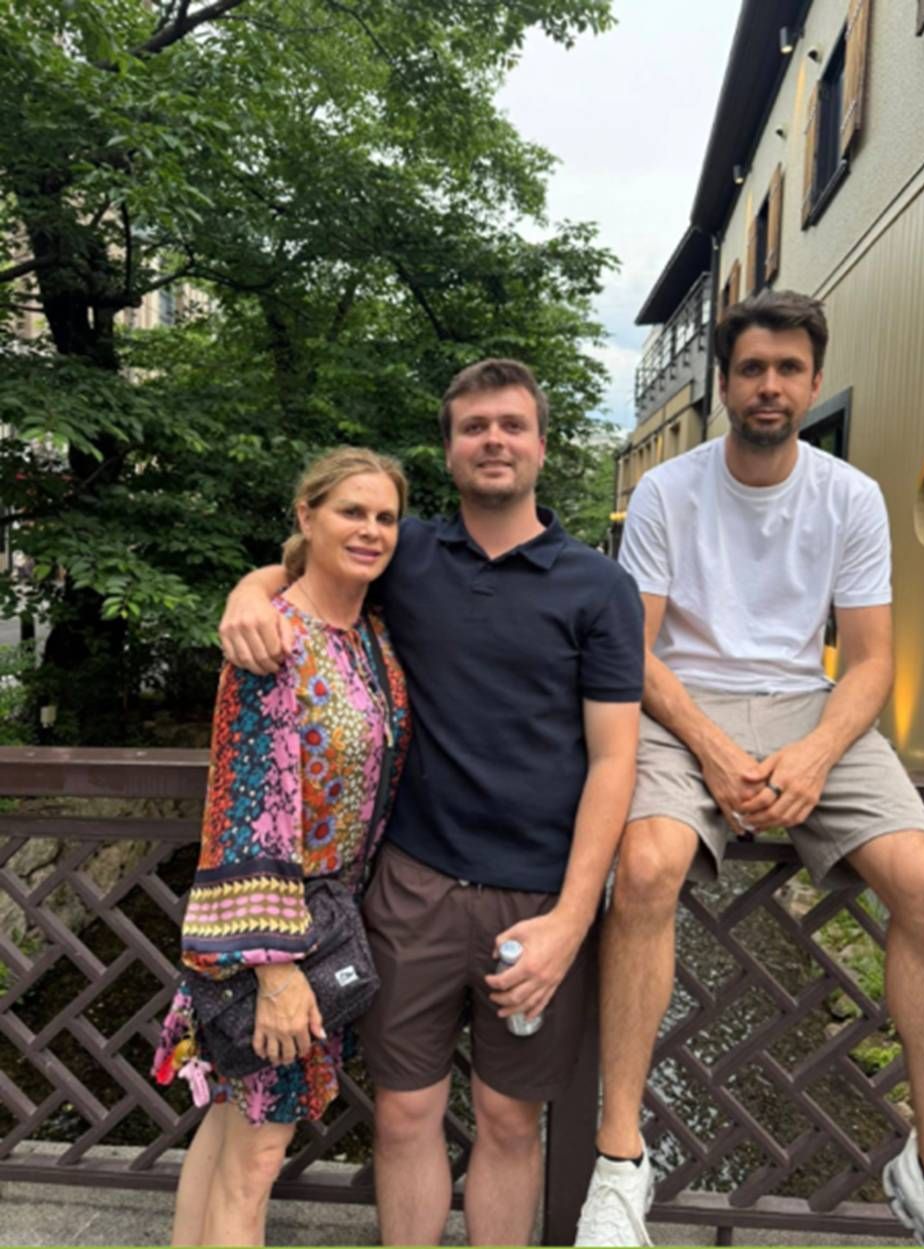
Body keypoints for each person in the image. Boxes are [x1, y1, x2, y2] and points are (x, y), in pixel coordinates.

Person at [219, 358, 645, 1245]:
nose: (494, 439)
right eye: (474, 426)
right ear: (449, 449)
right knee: (405, 1115)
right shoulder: (405, 552)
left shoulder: (598, 587)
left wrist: (573, 917)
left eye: (511, 424)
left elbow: (614, 759)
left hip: (535, 898)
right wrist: (247, 592)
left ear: (539, 442)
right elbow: (307, 567)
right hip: (409, 888)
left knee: (508, 1121)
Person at [574, 290, 924, 1248]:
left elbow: (868, 662)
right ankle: (619, 1162)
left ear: (813, 381)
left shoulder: (848, 495)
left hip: (811, 711)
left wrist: (814, 752)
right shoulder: (668, 491)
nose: (768, 386)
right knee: (646, 868)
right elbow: (636, 652)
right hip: (681, 701)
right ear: (724, 384)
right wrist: (717, 749)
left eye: (787, 369)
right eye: (751, 369)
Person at [152, 447, 411, 1248]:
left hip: (321, 915)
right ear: (306, 516)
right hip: (275, 938)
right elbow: (243, 808)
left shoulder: (367, 632)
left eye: (384, 516)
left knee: (228, 1129)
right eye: (350, 511)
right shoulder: (274, 641)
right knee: (256, 1166)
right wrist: (275, 970)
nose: (369, 530)